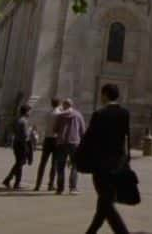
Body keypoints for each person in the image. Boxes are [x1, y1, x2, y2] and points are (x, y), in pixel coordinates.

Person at [82, 84, 131, 234]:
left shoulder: (99, 114)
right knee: (105, 201)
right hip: (117, 163)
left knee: (106, 203)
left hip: (101, 164)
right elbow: (126, 139)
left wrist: (80, 157)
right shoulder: (125, 113)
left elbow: (89, 139)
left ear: (104, 95)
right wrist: (126, 160)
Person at [54, 98, 85, 195]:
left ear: (64, 105)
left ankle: (60, 188)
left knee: (60, 166)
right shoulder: (78, 115)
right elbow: (83, 130)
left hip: (61, 143)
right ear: (72, 105)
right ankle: (73, 188)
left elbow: (55, 129)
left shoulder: (60, 116)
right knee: (74, 166)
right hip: (74, 143)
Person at [35, 98, 62, 191]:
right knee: (54, 163)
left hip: (47, 138)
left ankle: (37, 184)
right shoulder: (59, 114)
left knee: (42, 163)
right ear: (59, 104)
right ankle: (50, 184)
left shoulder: (47, 113)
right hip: (55, 139)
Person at [2, 104, 31, 190]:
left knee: (19, 162)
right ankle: (9, 180)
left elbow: (10, 127)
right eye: (29, 111)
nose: (30, 113)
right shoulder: (24, 121)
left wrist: (16, 133)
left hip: (16, 142)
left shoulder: (16, 119)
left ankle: (16, 182)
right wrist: (29, 133)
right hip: (22, 143)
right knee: (20, 163)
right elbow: (26, 135)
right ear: (26, 112)